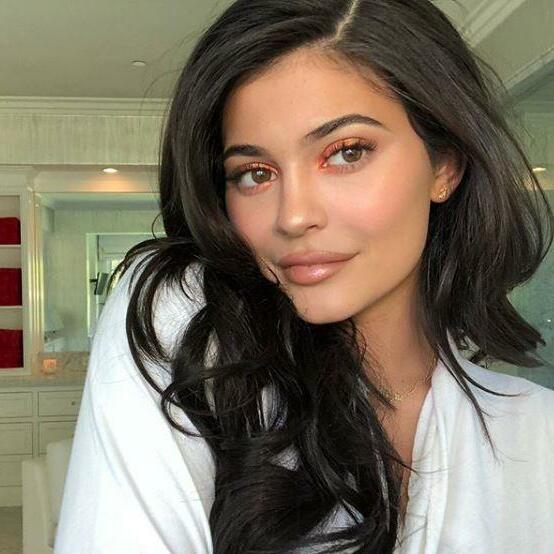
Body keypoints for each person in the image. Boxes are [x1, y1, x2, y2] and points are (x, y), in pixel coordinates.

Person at [54, 0, 554, 552]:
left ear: (444, 165)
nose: (293, 216)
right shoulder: (191, 329)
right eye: (255, 173)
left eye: (347, 153)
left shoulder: (535, 431)